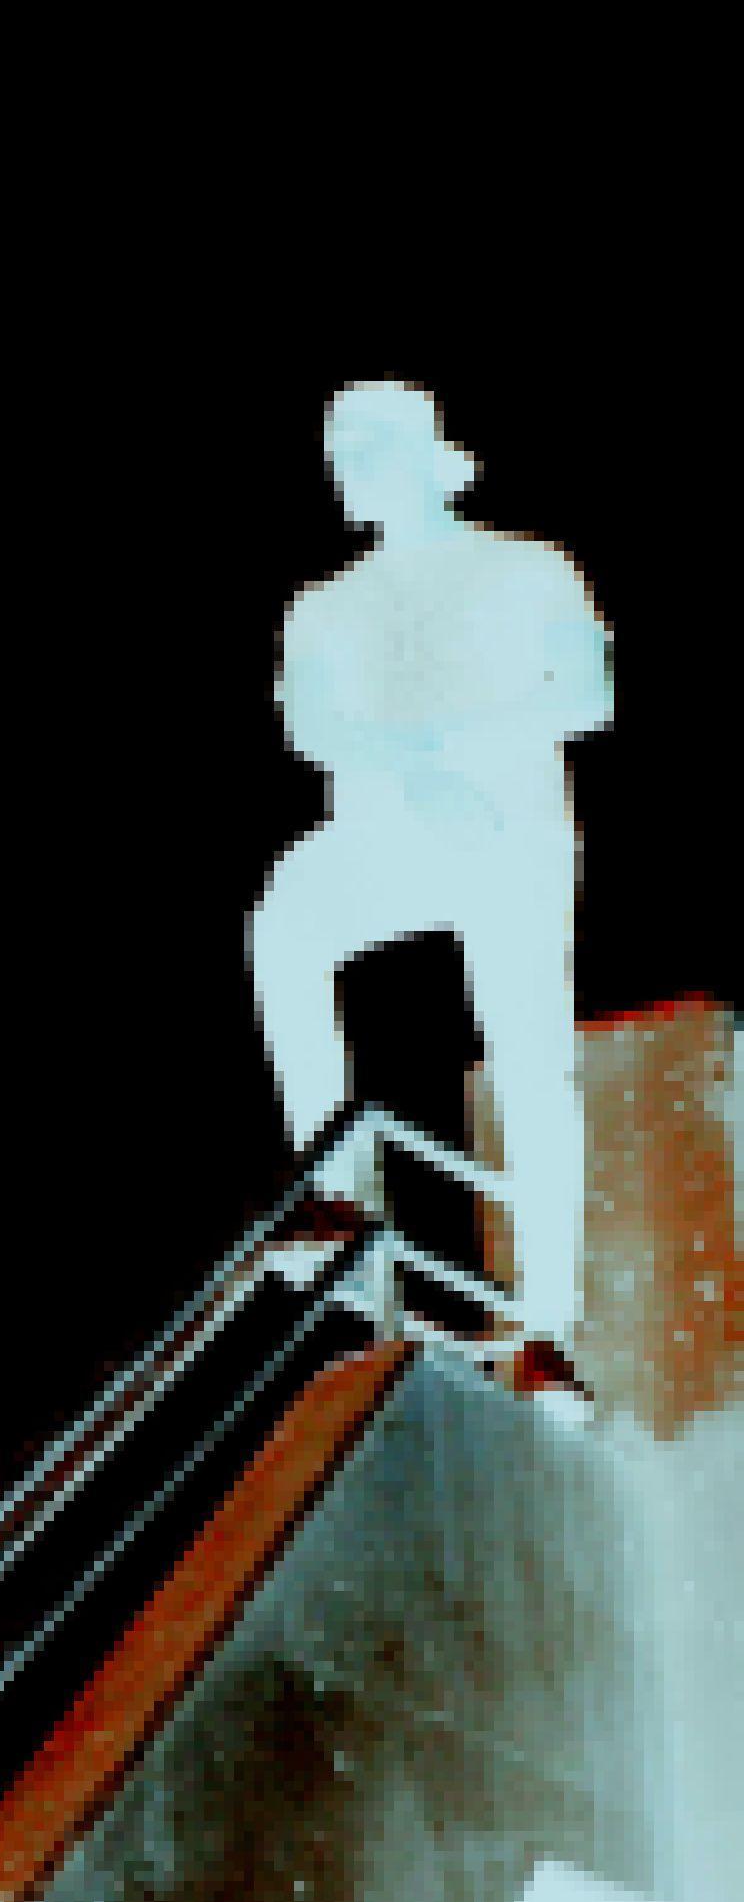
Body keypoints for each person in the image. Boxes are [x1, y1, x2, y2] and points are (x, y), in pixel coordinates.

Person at [247, 379, 611, 1375]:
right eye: (335, 457)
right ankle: (335, 1202)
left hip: (506, 826)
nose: (343, 473)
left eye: (362, 452)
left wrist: (454, 755)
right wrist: (414, 774)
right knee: (285, 922)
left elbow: (588, 695)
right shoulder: (323, 605)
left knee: (527, 1047)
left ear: (418, 455)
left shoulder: (527, 567)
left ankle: (548, 1321)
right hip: (385, 831)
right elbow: (312, 729)